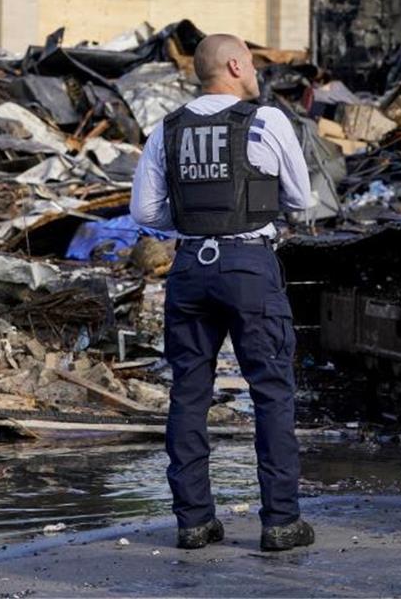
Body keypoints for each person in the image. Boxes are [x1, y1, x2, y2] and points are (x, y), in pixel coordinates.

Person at [130, 33, 315, 552]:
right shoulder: (267, 119)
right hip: (248, 265)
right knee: (271, 391)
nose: (256, 72)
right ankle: (280, 522)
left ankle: (193, 521)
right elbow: (301, 198)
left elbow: (144, 213)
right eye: (252, 64)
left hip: (190, 266)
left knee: (189, 393)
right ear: (235, 65)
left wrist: (194, 223)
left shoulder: (167, 128)